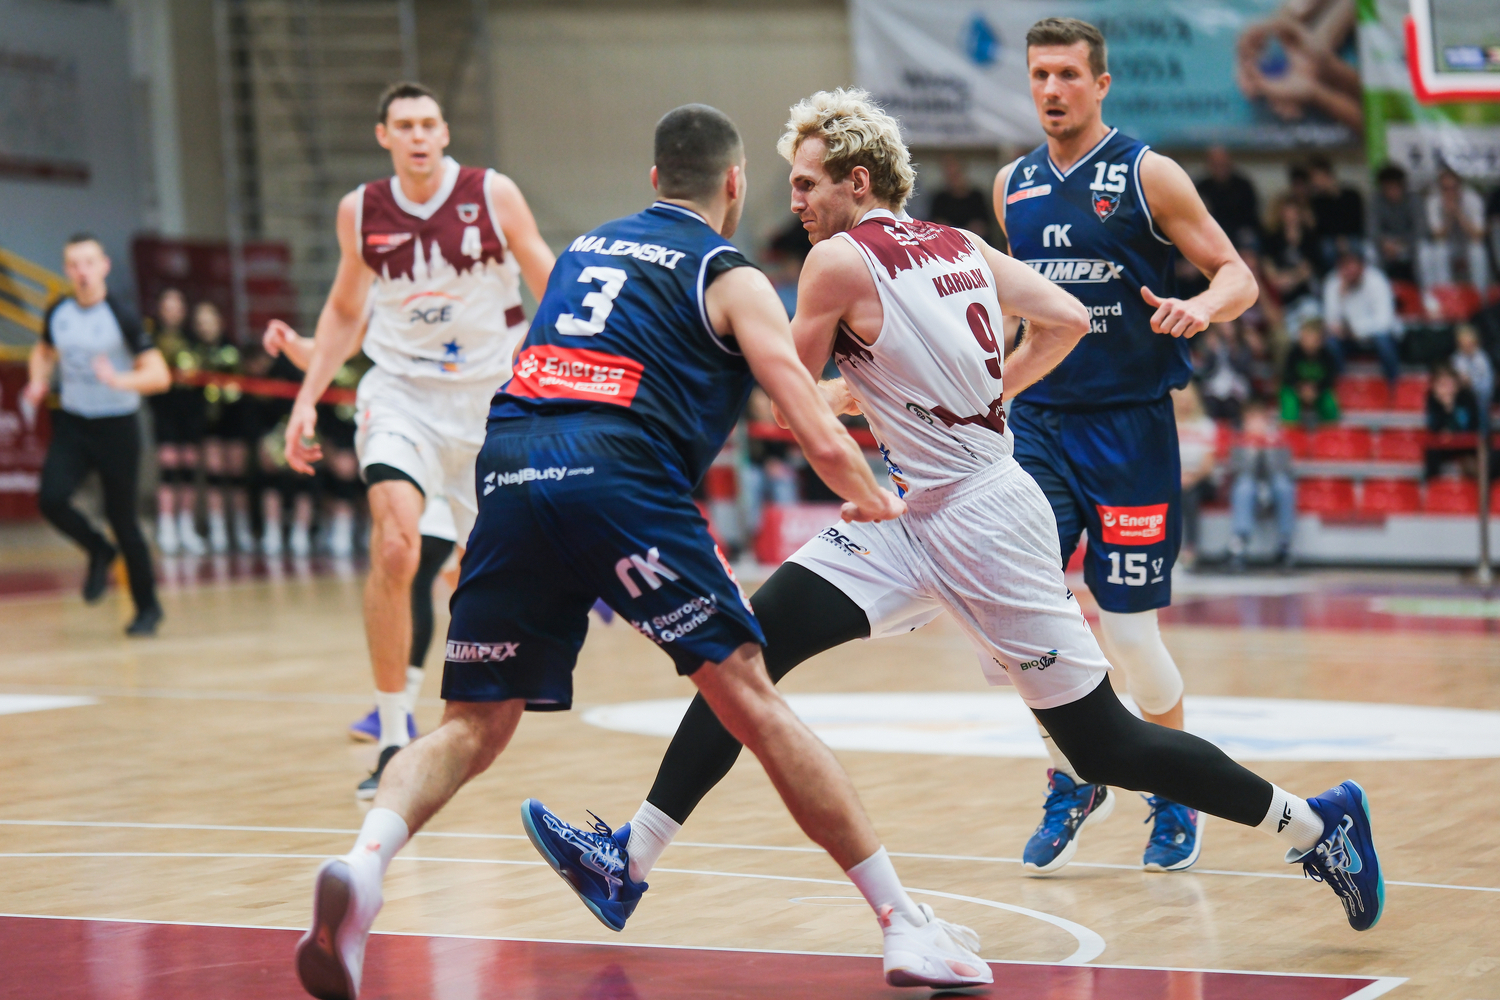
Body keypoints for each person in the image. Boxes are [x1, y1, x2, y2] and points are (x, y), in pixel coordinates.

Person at [522, 85, 1383, 958]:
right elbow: (1068, 319)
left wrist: (852, 400)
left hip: (978, 522)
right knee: (742, 657)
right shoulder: (959, 243)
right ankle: (628, 859)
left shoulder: (837, 263)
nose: (796, 200)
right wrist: (976, 399)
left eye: (809, 182)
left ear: (858, 182)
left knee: (1104, 745)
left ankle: (1318, 826)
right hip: (917, 514)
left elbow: (792, 400)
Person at [294, 103, 989, 999]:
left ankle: (364, 862)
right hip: (617, 473)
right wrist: (875, 499)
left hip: (511, 464)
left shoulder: (584, 249)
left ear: (655, 179)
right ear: (734, 182)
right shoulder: (730, 274)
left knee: (471, 725)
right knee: (752, 700)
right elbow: (809, 424)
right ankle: (904, 923)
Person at [993, 17, 1260, 874]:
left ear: (1101, 84)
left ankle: (1175, 790)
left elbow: (1237, 275)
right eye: (1041, 74)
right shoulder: (1012, 186)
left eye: (1069, 74)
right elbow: (1019, 312)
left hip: (1130, 429)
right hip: (1039, 426)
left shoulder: (1148, 173)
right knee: (1018, 615)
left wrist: (1202, 307)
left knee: (1130, 633)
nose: (1052, 89)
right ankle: (1072, 776)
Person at [281, 81, 554, 797]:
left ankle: (468, 716)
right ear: (384, 136)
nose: (418, 136)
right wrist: (306, 398)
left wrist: (558, 371)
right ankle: (393, 734)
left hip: (491, 401)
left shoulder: (492, 194)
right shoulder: (360, 211)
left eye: (429, 123)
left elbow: (552, 285)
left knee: (487, 578)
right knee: (398, 545)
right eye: (404, 125)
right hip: (401, 396)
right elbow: (345, 312)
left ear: (444, 131)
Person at [264, 317, 456, 744]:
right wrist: (296, 345)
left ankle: (576, 586)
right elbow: (340, 337)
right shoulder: (387, 292)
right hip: (411, 436)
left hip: (463, 434)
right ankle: (397, 713)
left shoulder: (481, 306)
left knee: (452, 572)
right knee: (412, 564)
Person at [25, 234, 170, 635]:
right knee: (51, 499)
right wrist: (38, 381)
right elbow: (43, 351)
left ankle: (147, 609)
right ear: (67, 269)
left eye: (89, 263)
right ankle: (98, 549)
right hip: (74, 422)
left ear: (104, 266)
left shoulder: (121, 315)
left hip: (117, 425)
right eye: (74, 265)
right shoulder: (59, 312)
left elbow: (159, 375)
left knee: (123, 520)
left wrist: (119, 380)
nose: (82, 272)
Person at [147, 288, 207, 555]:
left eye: (177, 307)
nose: (172, 312)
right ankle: (167, 525)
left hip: (190, 411)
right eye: (167, 307)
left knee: (188, 468)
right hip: (164, 410)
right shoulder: (152, 339)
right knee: (169, 467)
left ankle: (186, 526)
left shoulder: (192, 340)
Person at [192, 301, 256, 554]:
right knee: (215, 475)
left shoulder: (231, 350)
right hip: (208, 421)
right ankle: (217, 529)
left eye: (209, 321)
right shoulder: (195, 352)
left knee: (237, 475)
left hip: (233, 418)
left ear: (219, 322)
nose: (205, 327)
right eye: (201, 323)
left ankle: (240, 527)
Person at [1228, 400, 1297, 571]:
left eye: (1259, 419)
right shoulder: (1238, 442)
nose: (1255, 424)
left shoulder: (1278, 442)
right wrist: (1252, 449)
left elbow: (1282, 470)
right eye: (1251, 420)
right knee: (1244, 487)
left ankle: (1285, 543)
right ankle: (1239, 543)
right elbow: (1239, 471)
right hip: (1250, 486)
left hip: (1272, 485)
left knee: (1284, 486)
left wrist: (1268, 447)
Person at [1322, 248, 1401, 386]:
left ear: (1362, 266)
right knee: (1331, 344)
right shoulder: (1333, 282)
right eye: (1345, 266)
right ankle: (1341, 388)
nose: (1349, 271)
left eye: (1353, 265)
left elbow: (1384, 321)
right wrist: (1341, 297)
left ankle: (1394, 387)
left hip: (1376, 336)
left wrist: (1355, 329)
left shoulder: (1377, 280)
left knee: (1383, 342)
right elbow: (1331, 321)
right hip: (1349, 338)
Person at [1420, 166, 1489, 295]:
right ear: (1440, 188)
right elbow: (1438, 236)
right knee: (1435, 250)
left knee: (1478, 250)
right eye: (1445, 189)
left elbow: (1478, 236)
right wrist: (1448, 217)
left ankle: (1480, 296)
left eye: (1454, 188)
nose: (1450, 192)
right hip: (1448, 245)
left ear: (1460, 187)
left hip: (1467, 244)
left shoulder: (1472, 198)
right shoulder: (1433, 200)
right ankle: (1443, 295)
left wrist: (1458, 213)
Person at [1174, 383, 1218, 569]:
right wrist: (1177, 476)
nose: (1185, 404)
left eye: (1188, 400)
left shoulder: (1206, 425)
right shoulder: (1165, 423)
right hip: (1173, 477)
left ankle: (1190, 549)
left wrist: (1190, 477)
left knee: (1189, 494)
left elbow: (1208, 464)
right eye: (1181, 400)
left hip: (1201, 480)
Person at [1261, 193, 1322, 312]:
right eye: (1287, 212)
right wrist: (1296, 274)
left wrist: (1290, 278)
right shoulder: (1272, 239)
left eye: (1294, 212)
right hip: (1282, 301)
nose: (1291, 217)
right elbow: (1272, 275)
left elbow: (1309, 269)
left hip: (1308, 295)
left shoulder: (1309, 237)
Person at [1424, 363, 1482, 479]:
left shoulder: (1467, 397)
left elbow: (1472, 425)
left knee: (1474, 460)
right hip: (1443, 443)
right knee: (1431, 451)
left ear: (1456, 383)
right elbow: (1433, 426)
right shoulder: (1432, 399)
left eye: (1449, 382)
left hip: (1465, 442)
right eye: (1442, 384)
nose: (1447, 388)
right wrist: (1446, 408)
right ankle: (1432, 484)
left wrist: (1452, 409)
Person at [1196, 145, 1261, 248]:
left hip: (1240, 231)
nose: (1220, 168)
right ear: (1209, 165)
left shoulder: (1243, 186)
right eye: (1215, 164)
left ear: (1230, 163)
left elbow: (1251, 216)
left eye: (1223, 164)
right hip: (1211, 231)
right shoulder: (1202, 187)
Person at [1281, 317, 1341, 424]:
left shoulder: (1327, 356)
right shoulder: (1293, 354)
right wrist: (1302, 389)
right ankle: (1290, 430)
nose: (1307, 342)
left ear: (1320, 340)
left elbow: (1329, 379)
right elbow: (1288, 376)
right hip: (1295, 390)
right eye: (1305, 337)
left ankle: (1330, 431)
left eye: (1311, 338)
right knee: (1289, 403)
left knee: (1329, 404)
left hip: (1318, 391)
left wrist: (1316, 390)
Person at [1370, 163, 1421, 285]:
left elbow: (1420, 229)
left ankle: (1423, 290)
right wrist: (1385, 243)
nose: (1391, 192)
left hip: (1409, 245)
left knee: (1424, 250)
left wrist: (1400, 245)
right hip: (1385, 247)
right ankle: (1379, 288)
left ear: (1402, 186)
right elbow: (1372, 229)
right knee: (1369, 251)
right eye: (1387, 188)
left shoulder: (1414, 200)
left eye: (1394, 188)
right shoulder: (1376, 201)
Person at [1307, 156, 1364, 262]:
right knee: (1326, 249)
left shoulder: (1352, 195)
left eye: (1315, 177)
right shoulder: (1317, 201)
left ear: (1326, 175)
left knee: (1359, 247)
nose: (1313, 182)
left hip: (1351, 236)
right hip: (1330, 239)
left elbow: (1357, 221)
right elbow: (1322, 227)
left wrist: (1343, 238)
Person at [927, 154, 992, 241]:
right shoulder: (939, 199)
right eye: (950, 174)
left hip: (973, 242)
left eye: (956, 174)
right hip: (947, 242)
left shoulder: (977, 197)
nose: (953, 179)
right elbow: (936, 226)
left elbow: (982, 226)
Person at [1451, 322, 1493, 429]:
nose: (1466, 347)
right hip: (1461, 398)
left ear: (1476, 343)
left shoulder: (1483, 359)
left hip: (1480, 398)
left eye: (1469, 344)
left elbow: (1487, 385)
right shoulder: (1456, 359)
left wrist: (1472, 383)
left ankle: (1482, 436)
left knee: (1481, 408)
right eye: (1463, 344)